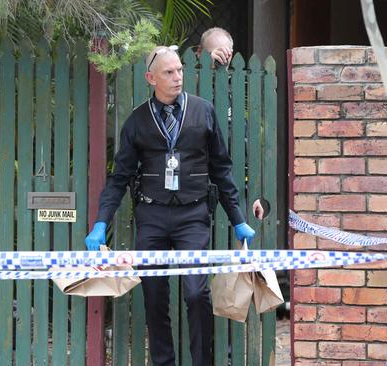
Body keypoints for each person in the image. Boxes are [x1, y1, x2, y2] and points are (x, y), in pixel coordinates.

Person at [84, 45, 255, 366]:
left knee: (195, 293)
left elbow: (222, 169)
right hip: (152, 216)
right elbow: (119, 177)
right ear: (151, 78)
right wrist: (100, 223)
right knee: (154, 294)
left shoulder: (203, 112)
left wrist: (238, 219)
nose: (177, 77)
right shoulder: (136, 121)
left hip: (193, 215)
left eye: (179, 70)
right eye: (169, 72)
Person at [199, 27, 267, 221]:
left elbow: (253, 144)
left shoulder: (240, 89)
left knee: (240, 241)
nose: (222, 58)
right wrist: (207, 66)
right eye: (215, 52)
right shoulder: (188, 82)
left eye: (225, 52)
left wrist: (255, 191)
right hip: (199, 187)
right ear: (199, 53)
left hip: (236, 184)